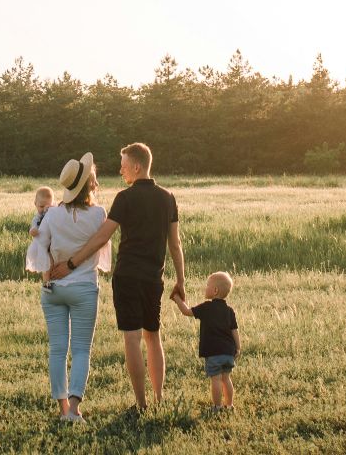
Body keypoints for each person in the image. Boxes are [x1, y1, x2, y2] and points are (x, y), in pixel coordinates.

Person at [42, 142, 185, 412]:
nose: (120, 170)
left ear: (137, 166)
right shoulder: (168, 197)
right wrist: (181, 280)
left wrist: (72, 262)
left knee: (132, 338)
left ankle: (141, 404)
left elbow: (101, 237)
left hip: (128, 276)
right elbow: (175, 244)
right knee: (153, 336)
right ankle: (159, 399)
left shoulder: (124, 198)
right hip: (155, 278)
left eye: (123, 165)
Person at [36, 153, 111, 424]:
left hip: (53, 288)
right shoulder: (100, 213)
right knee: (81, 349)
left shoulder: (52, 214)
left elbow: (39, 248)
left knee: (57, 349)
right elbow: (102, 252)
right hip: (84, 288)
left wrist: (48, 273)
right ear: (90, 184)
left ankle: (61, 408)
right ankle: (75, 410)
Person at [173, 271, 239, 412]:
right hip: (228, 352)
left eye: (207, 285)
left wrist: (177, 298)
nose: (205, 287)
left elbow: (187, 311)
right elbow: (234, 330)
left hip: (214, 352)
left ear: (215, 291)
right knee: (226, 379)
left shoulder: (206, 307)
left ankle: (217, 406)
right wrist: (238, 348)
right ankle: (229, 405)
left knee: (215, 379)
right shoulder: (229, 311)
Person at [25, 185, 54, 274]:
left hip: (53, 243)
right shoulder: (37, 218)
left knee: (53, 262)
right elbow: (33, 228)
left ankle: (54, 279)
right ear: (35, 204)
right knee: (45, 265)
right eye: (41, 206)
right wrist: (33, 231)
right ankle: (46, 283)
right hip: (42, 245)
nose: (44, 209)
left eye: (48, 207)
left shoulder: (54, 213)